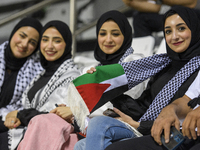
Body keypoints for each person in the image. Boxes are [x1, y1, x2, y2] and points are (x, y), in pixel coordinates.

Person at [15, 10, 148, 150]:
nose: (108, 39)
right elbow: (76, 102)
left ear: (125, 35)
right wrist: (66, 109)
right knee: (45, 121)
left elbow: (126, 102)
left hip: (124, 124)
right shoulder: (93, 69)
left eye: (115, 34)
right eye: (103, 34)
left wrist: (75, 111)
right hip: (87, 126)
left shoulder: (133, 62)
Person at [74, 5, 200, 150]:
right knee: (81, 145)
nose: (174, 36)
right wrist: (107, 87)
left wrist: (142, 125)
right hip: (143, 126)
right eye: (168, 31)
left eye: (181, 28)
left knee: (97, 130)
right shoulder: (163, 65)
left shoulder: (198, 69)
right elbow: (144, 106)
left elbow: (187, 113)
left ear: (195, 29)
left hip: (170, 134)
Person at [2, 20, 80, 150]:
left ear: (67, 44)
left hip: (42, 137)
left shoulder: (72, 78)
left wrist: (22, 115)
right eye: (45, 40)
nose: (49, 46)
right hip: (25, 131)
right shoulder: (41, 74)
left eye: (57, 41)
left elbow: (55, 116)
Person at [0, 17, 43, 133]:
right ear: (13, 32)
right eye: (22, 36)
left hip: (9, 125)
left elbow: (27, 108)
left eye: (32, 42)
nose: (24, 44)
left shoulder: (38, 71)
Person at [122, 0, 197, 37]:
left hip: (188, 13)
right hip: (164, 12)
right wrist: (161, 8)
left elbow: (191, 2)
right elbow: (129, 2)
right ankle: (143, 58)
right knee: (139, 18)